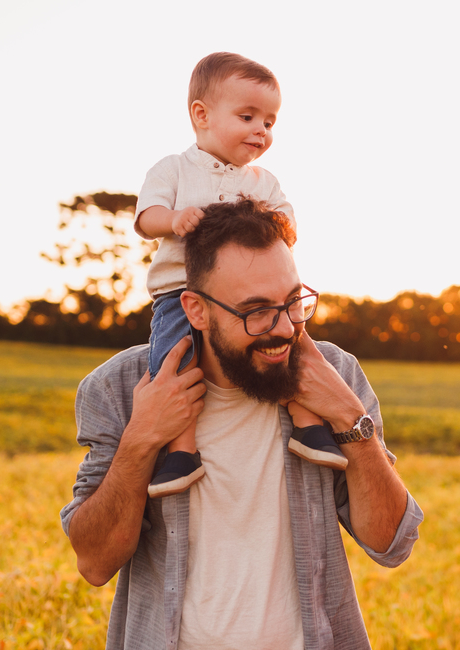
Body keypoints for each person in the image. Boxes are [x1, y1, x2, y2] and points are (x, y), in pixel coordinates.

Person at [61, 197, 423, 650]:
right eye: (256, 312)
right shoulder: (123, 390)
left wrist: (350, 419)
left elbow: (392, 542)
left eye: (292, 303)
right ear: (196, 310)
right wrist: (142, 439)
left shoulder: (332, 377)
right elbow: (95, 560)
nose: (283, 327)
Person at [135, 51, 346, 499]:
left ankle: (308, 424)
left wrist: (282, 224)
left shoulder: (262, 181)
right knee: (172, 361)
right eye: (248, 116)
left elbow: (286, 222)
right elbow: (145, 216)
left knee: (290, 344)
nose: (261, 131)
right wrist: (173, 220)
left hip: (260, 297)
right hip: (180, 292)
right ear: (202, 115)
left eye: (270, 122)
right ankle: (181, 449)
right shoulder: (174, 169)